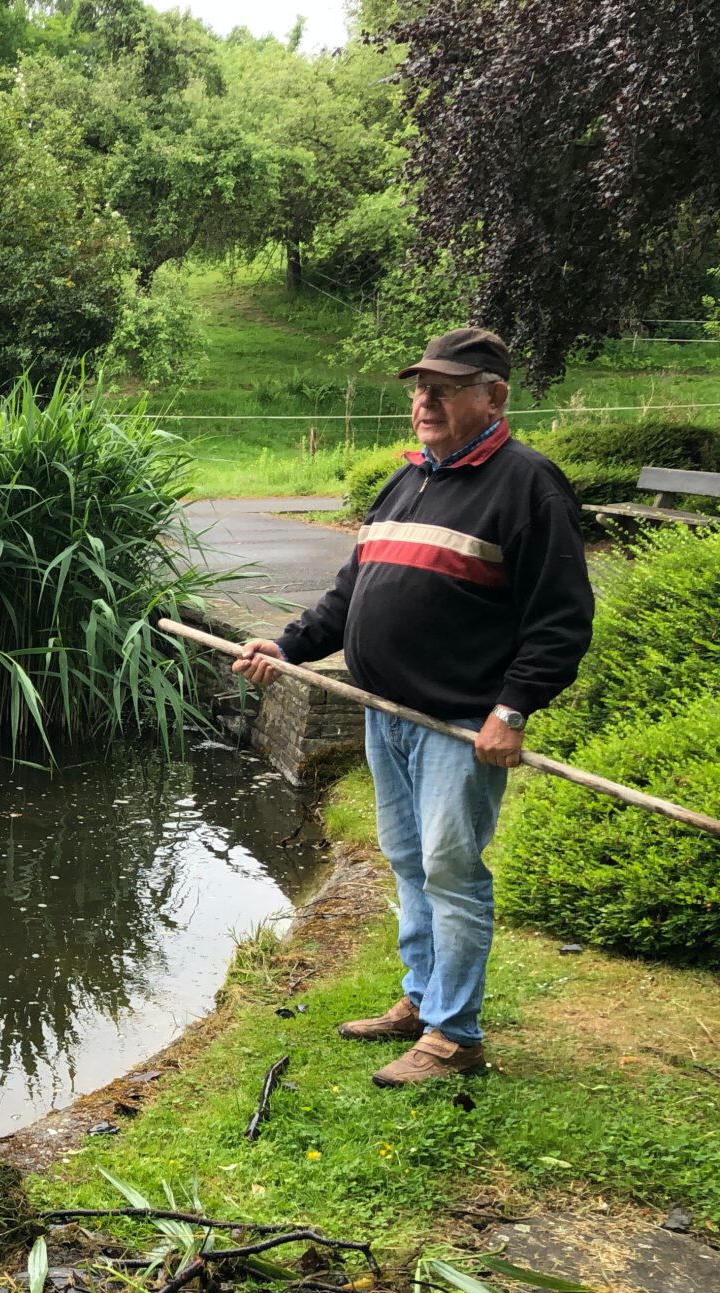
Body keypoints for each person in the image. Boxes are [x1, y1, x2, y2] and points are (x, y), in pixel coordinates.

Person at [233, 327, 594, 1087]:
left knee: (450, 869)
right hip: (384, 711)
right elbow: (349, 593)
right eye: (418, 388)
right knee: (406, 861)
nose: (424, 402)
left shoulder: (529, 485)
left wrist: (515, 709)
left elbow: (561, 618)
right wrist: (287, 648)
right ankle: (422, 998)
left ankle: (455, 1036)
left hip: (457, 725)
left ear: (493, 397)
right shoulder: (407, 481)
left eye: (445, 388)